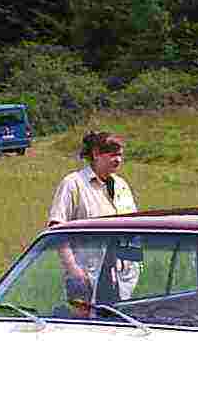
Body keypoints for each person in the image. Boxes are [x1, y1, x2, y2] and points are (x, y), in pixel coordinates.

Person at [50, 130, 140, 303]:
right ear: (96, 154)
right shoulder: (73, 184)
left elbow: (134, 229)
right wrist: (74, 271)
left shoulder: (122, 186)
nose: (118, 160)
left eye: (120, 155)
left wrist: (134, 267)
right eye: (112, 155)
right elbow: (57, 230)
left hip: (122, 281)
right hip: (87, 279)